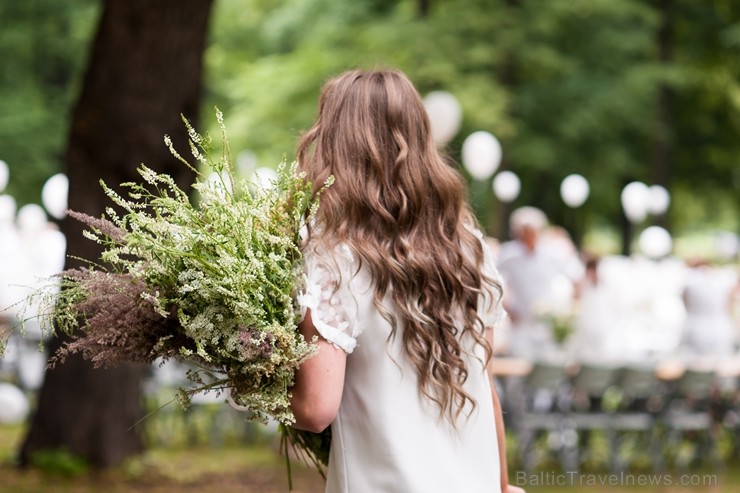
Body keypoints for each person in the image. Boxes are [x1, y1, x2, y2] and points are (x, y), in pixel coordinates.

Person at [288, 68, 524, 493]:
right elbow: (484, 384)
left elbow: (316, 408)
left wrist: (254, 376)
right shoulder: (469, 250)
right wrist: (504, 485)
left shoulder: (333, 258)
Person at [496, 207, 579, 360]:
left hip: (547, 324)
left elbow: (575, 280)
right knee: (519, 364)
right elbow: (493, 282)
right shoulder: (509, 254)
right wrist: (508, 307)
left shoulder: (553, 253)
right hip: (521, 324)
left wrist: (568, 313)